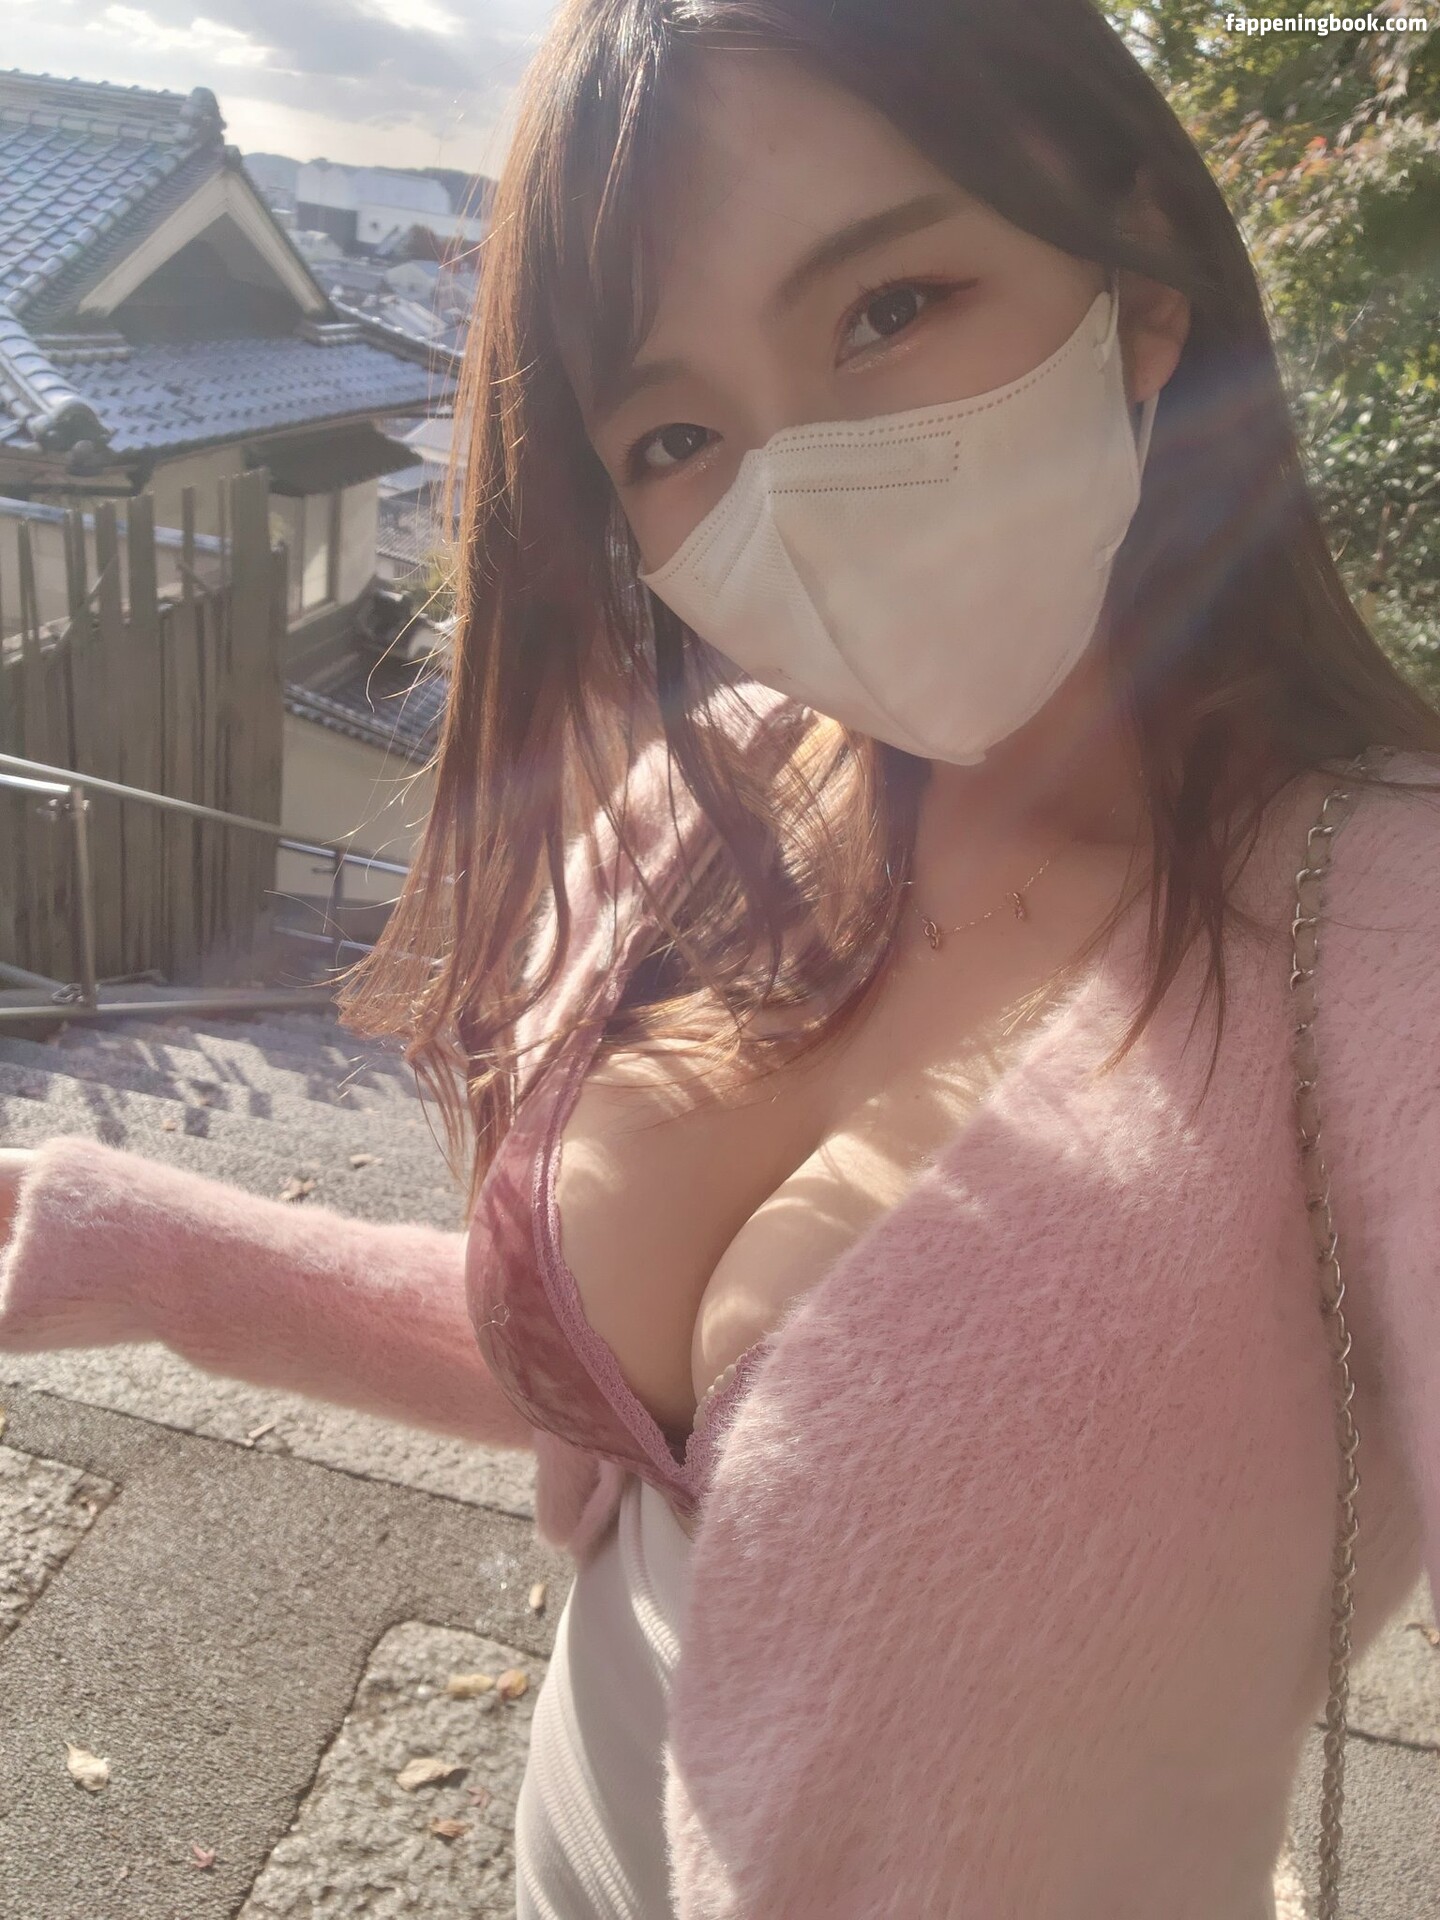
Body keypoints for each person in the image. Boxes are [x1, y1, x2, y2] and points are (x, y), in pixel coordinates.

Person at [3, 3, 1439, 1915]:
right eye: (675, 435)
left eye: (891, 307)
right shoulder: (727, 792)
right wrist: (114, 1246)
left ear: (1142, 279)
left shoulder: (1386, 929)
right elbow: (632, 1376)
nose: (806, 486)